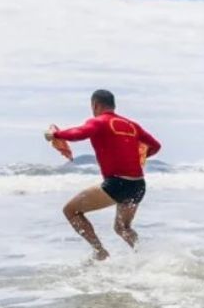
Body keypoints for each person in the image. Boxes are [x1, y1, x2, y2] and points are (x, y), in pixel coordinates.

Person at [45, 89, 161, 260]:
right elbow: (156, 146)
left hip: (117, 184)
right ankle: (146, 257)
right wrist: (139, 156)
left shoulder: (99, 122)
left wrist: (56, 134)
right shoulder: (132, 125)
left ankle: (100, 252)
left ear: (95, 105)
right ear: (113, 105)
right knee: (123, 228)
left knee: (70, 211)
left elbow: (79, 133)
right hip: (138, 185)